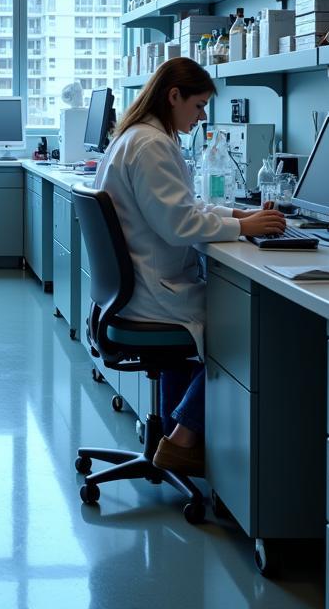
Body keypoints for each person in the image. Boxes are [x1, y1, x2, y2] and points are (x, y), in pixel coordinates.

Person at [93, 57, 285, 478]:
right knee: (250, 329)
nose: (201, 118)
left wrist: (237, 212)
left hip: (135, 289)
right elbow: (180, 224)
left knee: (225, 323)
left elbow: (183, 207)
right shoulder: (151, 145)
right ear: (173, 96)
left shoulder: (137, 137)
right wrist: (242, 225)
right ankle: (183, 437)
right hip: (155, 292)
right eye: (198, 106)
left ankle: (180, 441)